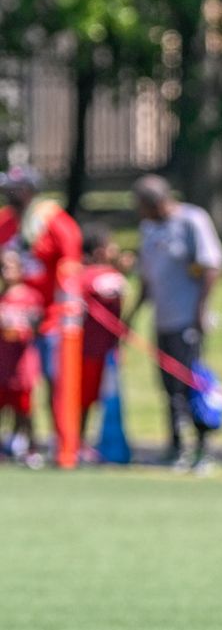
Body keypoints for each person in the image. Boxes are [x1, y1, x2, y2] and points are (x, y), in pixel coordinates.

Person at [127, 175, 222, 472]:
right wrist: (131, 317)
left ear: (156, 202)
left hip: (187, 320)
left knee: (191, 384)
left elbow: (212, 266)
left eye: (142, 206)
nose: (139, 212)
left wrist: (200, 308)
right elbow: (147, 278)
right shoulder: (148, 229)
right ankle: (175, 447)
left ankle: (202, 450)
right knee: (168, 388)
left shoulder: (192, 220)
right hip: (163, 320)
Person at [0, 164, 82, 448]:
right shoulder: (4, 222)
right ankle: (22, 442)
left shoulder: (53, 220)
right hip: (13, 319)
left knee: (55, 381)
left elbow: (71, 267)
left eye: (14, 188)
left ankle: (64, 445)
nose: (9, 194)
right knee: (13, 383)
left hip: (50, 319)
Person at [79, 225, 129, 441]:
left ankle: (101, 442)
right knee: (85, 398)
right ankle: (80, 441)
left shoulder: (110, 275)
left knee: (103, 399)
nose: (115, 249)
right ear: (100, 251)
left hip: (107, 350)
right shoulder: (94, 276)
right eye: (111, 246)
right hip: (88, 351)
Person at [0, 248, 43, 465]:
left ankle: (31, 448)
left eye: (10, 267)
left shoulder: (30, 297)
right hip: (2, 364)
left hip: (22, 364)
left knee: (25, 409)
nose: (6, 271)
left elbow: (36, 325)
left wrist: (18, 326)